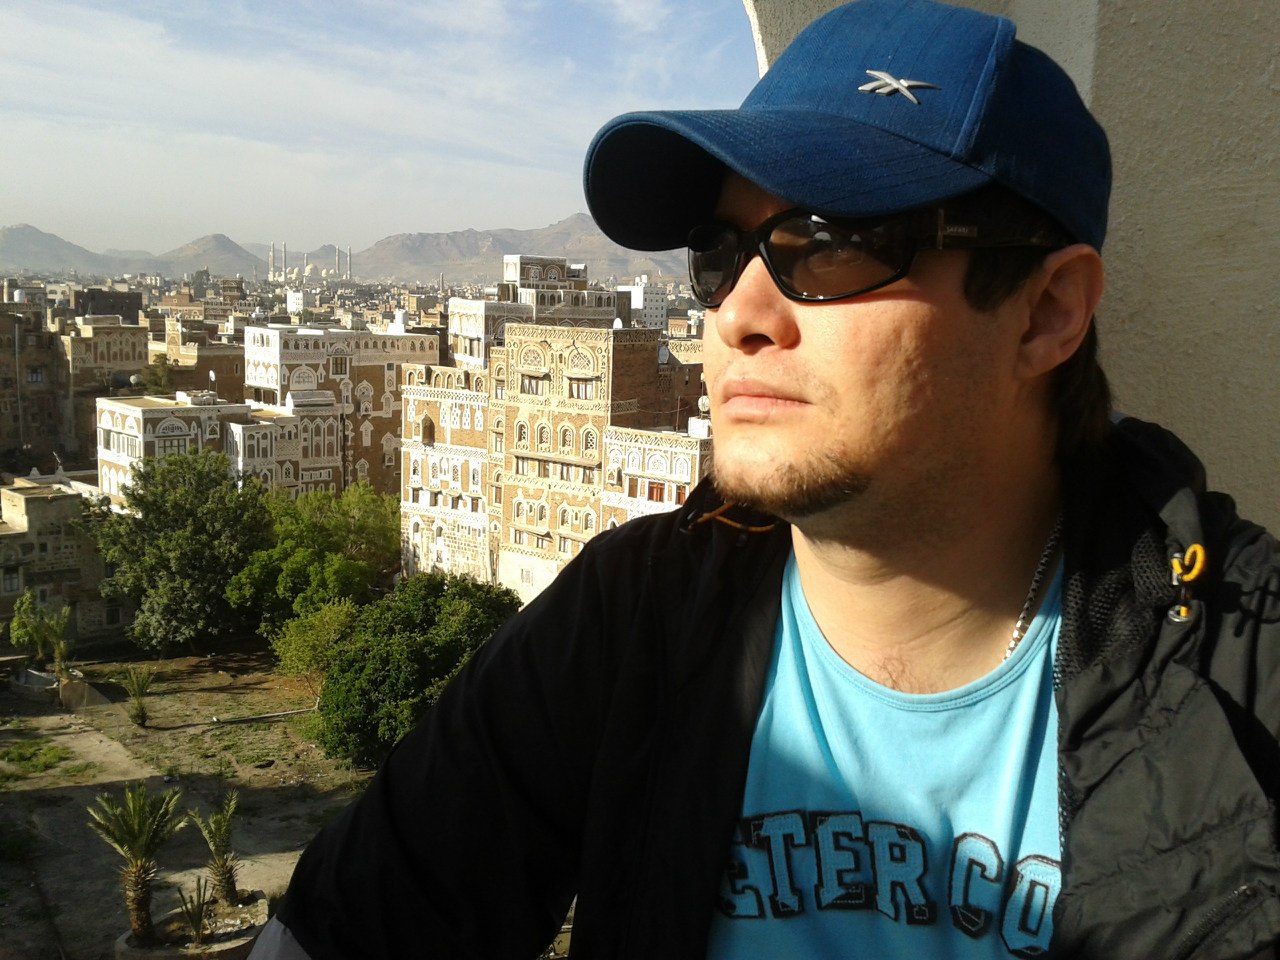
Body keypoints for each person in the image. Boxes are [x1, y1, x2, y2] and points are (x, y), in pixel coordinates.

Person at [251, 1, 1280, 957]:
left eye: (829, 246)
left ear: (1046, 313)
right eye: (719, 253)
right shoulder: (637, 615)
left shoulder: (1237, 680)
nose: (736, 313)